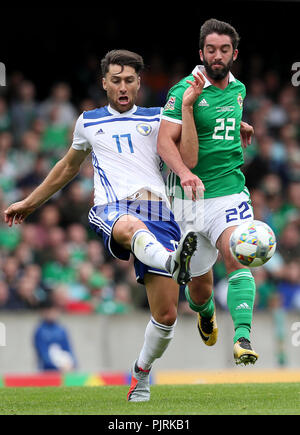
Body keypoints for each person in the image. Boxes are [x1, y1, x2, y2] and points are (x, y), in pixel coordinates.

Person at [3, 50, 197, 401]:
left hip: (161, 216)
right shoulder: (89, 122)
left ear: (139, 83)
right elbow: (67, 167)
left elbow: (201, 139)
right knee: (128, 225)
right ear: (104, 83)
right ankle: (170, 260)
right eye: (116, 80)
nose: (123, 87)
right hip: (112, 207)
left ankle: (141, 372)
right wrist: (31, 202)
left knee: (166, 315)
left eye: (129, 80)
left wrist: (239, 126)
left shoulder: (158, 118)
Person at [157, 18, 259, 365]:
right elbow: (163, 143)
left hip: (229, 193)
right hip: (189, 203)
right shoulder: (183, 90)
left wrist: (239, 126)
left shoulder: (239, 89)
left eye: (225, 50)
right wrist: (184, 172)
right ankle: (205, 312)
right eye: (211, 50)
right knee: (199, 289)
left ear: (234, 54)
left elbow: (221, 116)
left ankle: (242, 337)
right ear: (201, 53)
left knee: (238, 254)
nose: (218, 56)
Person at [33, 298, 76, 372]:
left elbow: (68, 348)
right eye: (49, 311)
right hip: (47, 371)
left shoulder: (61, 330)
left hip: (65, 369)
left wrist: (73, 363)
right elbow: (43, 353)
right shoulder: (40, 331)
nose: (52, 314)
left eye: (54, 311)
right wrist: (57, 367)